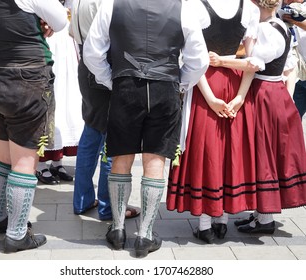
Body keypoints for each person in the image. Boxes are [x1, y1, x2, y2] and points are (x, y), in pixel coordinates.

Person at [83, 0, 209, 257]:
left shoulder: (111, 5)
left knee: (121, 156)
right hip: (165, 86)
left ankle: (118, 230)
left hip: (126, 84)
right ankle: (145, 235)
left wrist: (111, 80)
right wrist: (180, 84)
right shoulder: (184, 7)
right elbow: (199, 59)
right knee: (155, 160)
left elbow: (92, 52)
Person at [0, 0, 67, 253]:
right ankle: (17, 234)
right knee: (24, 161)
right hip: (23, 80)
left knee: (3, 154)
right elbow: (60, 20)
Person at [166, 0, 260, 244]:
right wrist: (240, 96)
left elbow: (192, 59)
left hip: (206, 83)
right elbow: (253, 61)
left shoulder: (193, 6)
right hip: (236, 82)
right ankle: (222, 221)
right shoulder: (249, 9)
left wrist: (209, 98)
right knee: (231, 152)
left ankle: (206, 224)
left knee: (208, 151)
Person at [209, 0, 306, 234]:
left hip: (265, 94)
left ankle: (265, 219)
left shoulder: (266, 29)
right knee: (268, 151)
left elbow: (254, 64)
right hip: (275, 92)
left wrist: (221, 61)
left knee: (264, 153)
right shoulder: (281, 25)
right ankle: (260, 214)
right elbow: (289, 64)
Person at [69, 0, 140, 221]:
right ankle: (108, 206)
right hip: (105, 65)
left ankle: (82, 199)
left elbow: (72, 31)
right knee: (112, 137)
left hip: (87, 64)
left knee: (92, 131)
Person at [36, 0, 84, 185]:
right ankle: (40, 163)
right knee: (49, 100)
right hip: (48, 40)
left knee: (68, 101)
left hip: (68, 43)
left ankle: (57, 160)